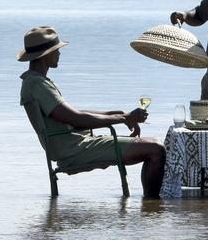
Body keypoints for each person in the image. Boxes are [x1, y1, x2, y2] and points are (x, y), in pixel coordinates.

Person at [16, 25, 166, 198]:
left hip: (73, 144)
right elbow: (76, 119)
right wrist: (123, 118)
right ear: (46, 54)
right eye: (56, 50)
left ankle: (150, 207)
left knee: (154, 144)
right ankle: (152, 210)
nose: (59, 53)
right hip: (75, 149)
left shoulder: (35, 81)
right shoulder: (37, 85)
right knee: (156, 148)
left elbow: (70, 113)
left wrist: (114, 114)